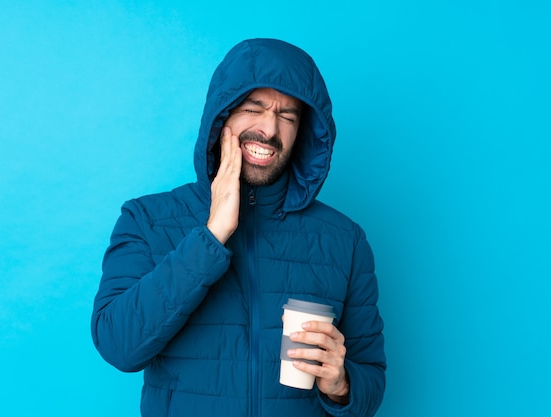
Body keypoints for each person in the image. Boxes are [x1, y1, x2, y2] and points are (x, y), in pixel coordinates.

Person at [91, 38, 386, 417]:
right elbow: (118, 345)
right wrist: (212, 235)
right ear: (222, 117)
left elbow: (372, 377)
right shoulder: (147, 220)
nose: (269, 129)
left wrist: (342, 384)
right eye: (254, 108)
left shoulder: (344, 241)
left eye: (288, 116)